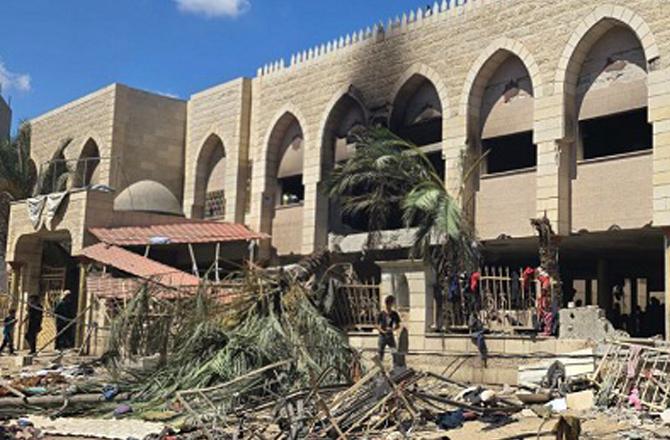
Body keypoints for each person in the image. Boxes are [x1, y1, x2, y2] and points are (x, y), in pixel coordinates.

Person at [377, 295, 401, 361]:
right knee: (380, 351)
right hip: (382, 336)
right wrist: (382, 331)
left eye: (391, 304)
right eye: (388, 303)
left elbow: (398, 325)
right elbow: (377, 325)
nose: (389, 305)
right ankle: (380, 367)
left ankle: (395, 366)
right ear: (386, 304)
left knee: (394, 352)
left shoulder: (394, 314)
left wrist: (392, 329)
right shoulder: (381, 314)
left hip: (390, 336)